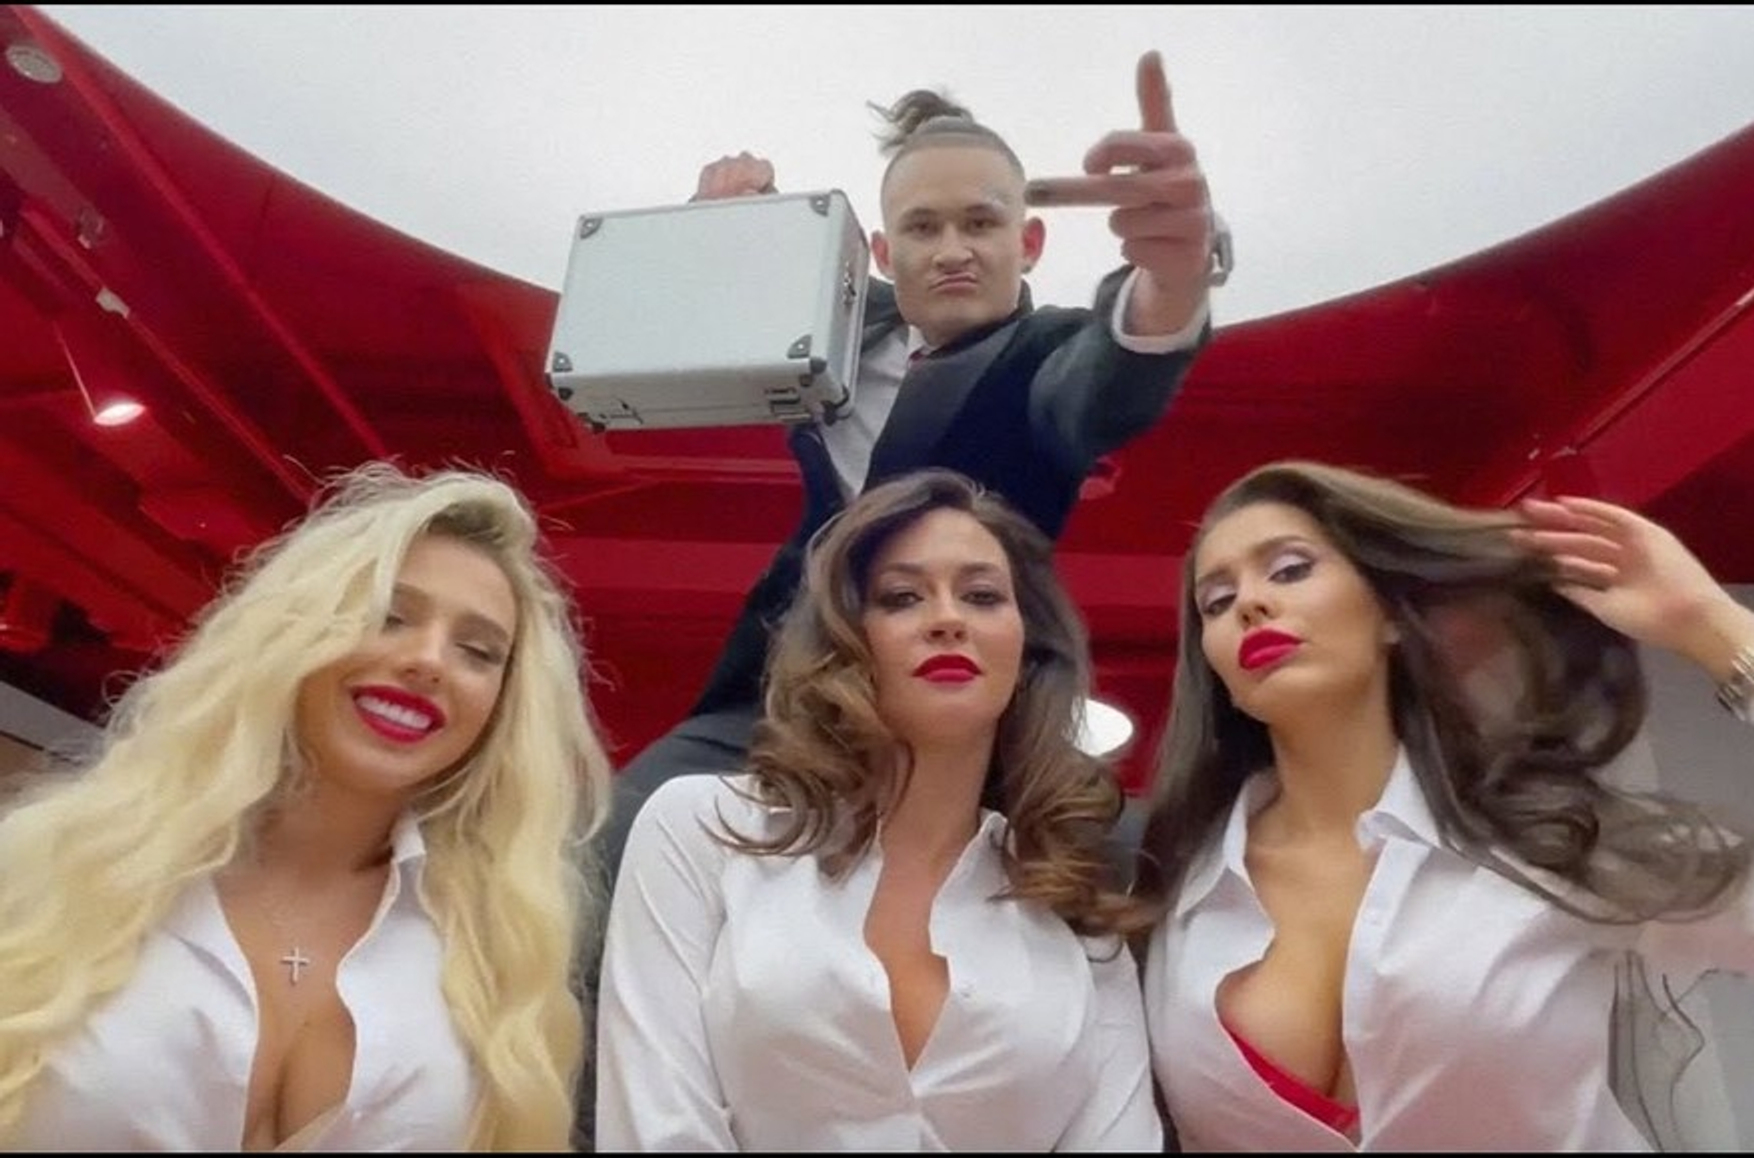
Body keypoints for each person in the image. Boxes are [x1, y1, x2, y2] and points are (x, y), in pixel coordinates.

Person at [600, 49, 1225, 878]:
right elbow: (686, 321)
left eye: (980, 224)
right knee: (608, 845)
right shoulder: (834, 326)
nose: (953, 250)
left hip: (977, 719)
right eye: (924, 228)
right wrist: (725, 235)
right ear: (884, 253)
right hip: (779, 697)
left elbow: (1110, 376)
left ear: (1029, 241)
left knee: (1140, 872)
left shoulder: (1046, 354)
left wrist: (1175, 276)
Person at [1133, 458, 1754, 1150]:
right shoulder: (1172, 888)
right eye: (1216, 602)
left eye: (1289, 569)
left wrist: (1718, 629)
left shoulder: (1547, 841)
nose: (1250, 603)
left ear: (1389, 615)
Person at [0, 462, 614, 1151]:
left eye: (478, 652)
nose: (430, 660)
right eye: (389, 615)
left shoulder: (499, 951)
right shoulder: (58, 868)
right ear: (293, 631)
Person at [595, 468, 1162, 1150]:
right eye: (901, 597)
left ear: (1025, 648)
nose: (947, 618)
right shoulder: (702, 828)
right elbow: (656, 1123)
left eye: (982, 596)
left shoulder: (1077, 908)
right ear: (846, 640)